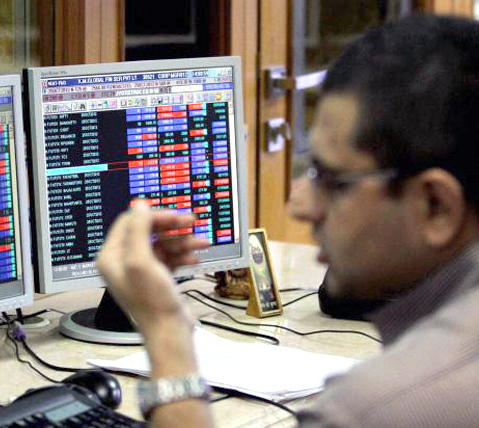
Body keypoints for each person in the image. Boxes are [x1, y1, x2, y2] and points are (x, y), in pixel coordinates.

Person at [96, 14, 479, 428]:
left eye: (330, 179)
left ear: (436, 206)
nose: (299, 205)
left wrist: (165, 330)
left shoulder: (370, 410)